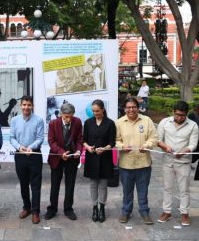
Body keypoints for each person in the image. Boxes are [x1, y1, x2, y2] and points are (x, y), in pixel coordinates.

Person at [116, 97, 158, 225]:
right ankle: (126, 211)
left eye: (133, 107)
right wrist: (122, 147)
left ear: (138, 107)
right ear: (124, 109)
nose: (131, 110)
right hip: (126, 163)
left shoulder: (147, 120)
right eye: (128, 107)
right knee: (127, 190)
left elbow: (154, 138)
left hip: (143, 163)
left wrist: (147, 145)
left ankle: (144, 211)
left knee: (143, 190)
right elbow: (115, 140)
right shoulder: (119, 122)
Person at [157, 101, 198, 226]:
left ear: (186, 114)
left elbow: (193, 144)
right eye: (177, 115)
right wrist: (165, 147)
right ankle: (167, 212)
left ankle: (185, 214)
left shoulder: (193, 125)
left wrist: (186, 150)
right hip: (168, 160)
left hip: (184, 161)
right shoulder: (164, 122)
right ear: (173, 112)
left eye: (182, 115)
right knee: (167, 187)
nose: (179, 118)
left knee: (184, 189)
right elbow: (158, 139)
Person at [45, 103, 82, 221]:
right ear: (61, 114)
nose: (68, 119)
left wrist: (78, 151)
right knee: (55, 184)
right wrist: (61, 153)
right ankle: (52, 209)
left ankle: (68, 209)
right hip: (57, 157)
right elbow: (51, 141)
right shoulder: (53, 123)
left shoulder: (77, 122)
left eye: (71, 116)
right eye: (66, 116)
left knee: (70, 185)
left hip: (72, 158)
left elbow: (80, 139)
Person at [10, 96, 44, 224]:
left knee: (35, 185)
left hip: (34, 155)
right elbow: (12, 138)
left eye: (29, 105)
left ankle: (35, 211)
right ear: (20, 106)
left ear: (32, 106)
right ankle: (27, 207)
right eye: (24, 105)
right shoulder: (14, 120)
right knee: (23, 184)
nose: (26, 107)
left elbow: (40, 138)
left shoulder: (39, 120)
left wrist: (30, 148)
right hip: (20, 155)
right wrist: (19, 147)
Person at [83, 100, 116, 222]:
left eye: (97, 111)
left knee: (102, 184)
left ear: (103, 109)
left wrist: (105, 148)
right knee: (93, 184)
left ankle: (102, 207)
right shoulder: (88, 122)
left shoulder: (110, 123)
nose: (95, 113)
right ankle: (94, 208)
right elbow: (84, 140)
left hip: (105, 157)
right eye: (93, 111)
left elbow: (112, 142)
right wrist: (88, 147)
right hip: (91, 157)